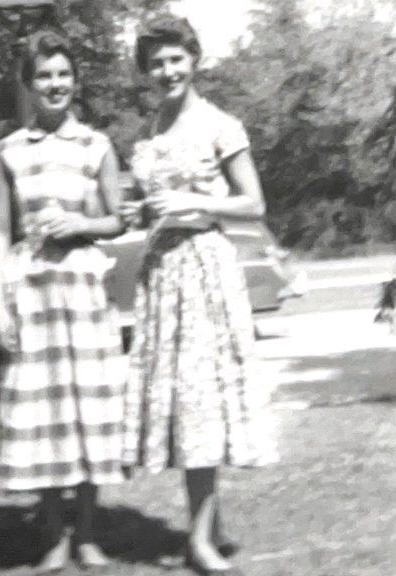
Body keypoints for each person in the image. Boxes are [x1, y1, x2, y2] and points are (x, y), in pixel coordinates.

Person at [121, 15, 279, 576]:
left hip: (205, 270)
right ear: (146, 70)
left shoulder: (220, 125)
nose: (167, 71)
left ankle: (200, 540)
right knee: (185, 409)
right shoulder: (147, 133)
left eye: (175, 59)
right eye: (156, 63)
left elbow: (254, 203)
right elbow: (148, 205)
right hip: (163, 273)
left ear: (194, 60)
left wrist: (197, 203)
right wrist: (137, 212)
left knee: (203, 404)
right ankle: (205, 529)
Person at [0, 32, 127, 575]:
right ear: (28, 84)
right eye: (43, 75)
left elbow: (118, 218)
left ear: (76, 81)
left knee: (90, 408)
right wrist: (0, 304)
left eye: (63, 74)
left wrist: (82, 223)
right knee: (41, 412)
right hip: (31, 289)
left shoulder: (96, 145)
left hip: (83, 286)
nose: (55, 84)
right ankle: (53, 535)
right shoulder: (9, 151)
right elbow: (0, 231)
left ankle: (88, 534)